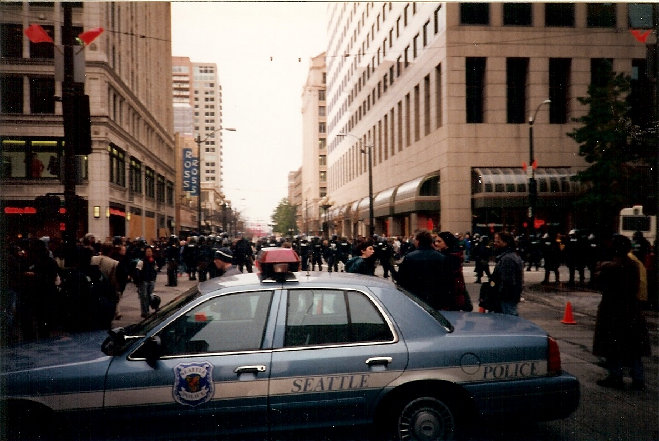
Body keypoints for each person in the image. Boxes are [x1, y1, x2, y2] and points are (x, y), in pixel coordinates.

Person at [593, 234, 651, 390]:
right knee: (633, 348)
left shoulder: (609, 267)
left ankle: (615, 376)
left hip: (612, 311)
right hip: (632, 310)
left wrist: (601, 269)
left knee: (613, 347)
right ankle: (638, 379)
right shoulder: (634, 265)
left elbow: (599, 284)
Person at [393, 230, 453, 310]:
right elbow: (446, 280)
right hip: (435, 297)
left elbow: (402, 280)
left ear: (418, 241)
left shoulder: (410, 257)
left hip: (415, 296)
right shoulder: (441, 258)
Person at [436, 232, 472, 311]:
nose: (436, 244)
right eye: (436, 241)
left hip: (450, 296)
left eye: (439, 241)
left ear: (447, 243)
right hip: (452, 296)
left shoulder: (450, 257)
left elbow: (453, 280)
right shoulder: (447, 255)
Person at [490, 231, 524, 316]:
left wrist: (497, 295)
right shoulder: (512, 256)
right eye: (495, 241)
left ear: (506, 242)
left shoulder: (507, 259)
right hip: (509, 298)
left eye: (498, 241)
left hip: (506, 300)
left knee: (508, 323)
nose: (495, 243)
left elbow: (507, 282)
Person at [136, 246, 158, 318]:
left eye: (150, 251)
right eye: (148, 251)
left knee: (150, 296)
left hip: (151, 281)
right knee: (144, 297)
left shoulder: (153, 260)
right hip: (144, 281)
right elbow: (138, 271)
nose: (149, 253)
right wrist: (139, 282)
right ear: (145, 252)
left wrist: (154, 278)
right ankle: (144, 312)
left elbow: (155, 269)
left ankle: (147, 310)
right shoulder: (141, 261)